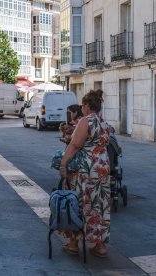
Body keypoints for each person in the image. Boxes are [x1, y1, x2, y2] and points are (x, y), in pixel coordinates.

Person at [59, 90, 111, 258]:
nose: (81, 108)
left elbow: (74, 145)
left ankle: (74, 243)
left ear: (88, 106)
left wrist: (63, 164)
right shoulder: (103, 122)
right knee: (99, 206)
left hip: (88, 169)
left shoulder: (85, 121)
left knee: (81, 203)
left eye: (82, 105)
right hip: (103, 168)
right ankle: (100, 246)